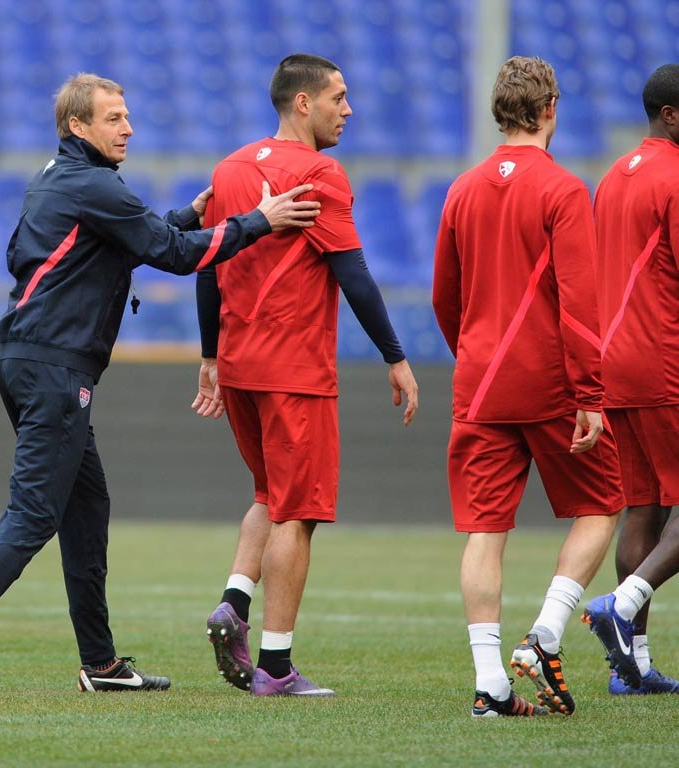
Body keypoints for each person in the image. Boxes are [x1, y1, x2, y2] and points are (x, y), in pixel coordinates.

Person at [0, 73, 320, 695]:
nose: (128, 128)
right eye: (114, 118)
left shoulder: (57, 178)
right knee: (33, 515)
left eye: (127, 117)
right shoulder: (95, 184)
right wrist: (257, 222)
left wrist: (188, 215)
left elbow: (117, 245)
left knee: (86, 507)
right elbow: (175, 256)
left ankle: (100, 665)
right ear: (79, 126)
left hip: (29, 360)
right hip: (53, 368)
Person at [193, 53, 419, 698]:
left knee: (269, 494)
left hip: (238, 364)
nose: (347, 110)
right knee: (299, 512)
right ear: (303, 103)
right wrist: (394, 356)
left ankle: (233, 602)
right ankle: (276, 666)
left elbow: (208, 268)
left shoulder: (230, 168)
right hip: (296, 370)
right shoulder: (321, 172)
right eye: (338, 98)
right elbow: (353, 273)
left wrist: (210, 355)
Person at [432, 55, 624, 718]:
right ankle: (545, 634)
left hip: (478, 380)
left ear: (497, 112)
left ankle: (490, 684)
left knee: (484, 529)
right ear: (551, 110)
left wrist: (475, 357)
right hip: (548, 381)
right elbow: (578, 302)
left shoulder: (461, 189)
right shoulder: (566, 190)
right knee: (603, 503)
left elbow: (444, 297)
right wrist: (591, 395)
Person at [581, 63, 679, 696]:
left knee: (643, 504)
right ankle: (621, 603)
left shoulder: (614, 176)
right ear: (672, 115)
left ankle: (634, 667)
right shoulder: (676, 178)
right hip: (665, 357)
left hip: (614, 361)